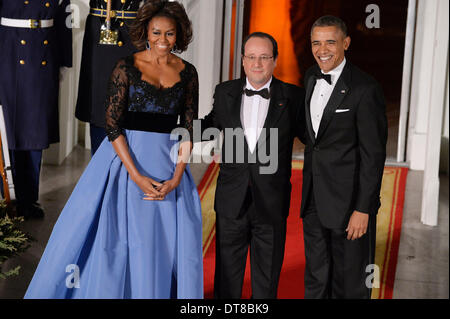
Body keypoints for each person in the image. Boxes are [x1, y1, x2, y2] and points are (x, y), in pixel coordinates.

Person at [25, 0, 203, 299]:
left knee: (161, 245)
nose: (162, 40)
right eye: (156, 32)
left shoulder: (189, 73)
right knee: (115, 242)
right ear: (146, 30)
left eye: (169, 34)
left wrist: (176, 178)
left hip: (168, 167)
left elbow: (187, 129)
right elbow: (112, 126)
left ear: (179, 34)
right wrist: (136, 176)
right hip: (125, 164)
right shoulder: (126, 66)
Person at [200, 32, 305, 298]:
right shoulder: (225, 92)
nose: (257, 64)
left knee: (266, 281)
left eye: (264, 57)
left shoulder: (292, 97)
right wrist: (165, 128)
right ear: (243, 60)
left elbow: (313, 138)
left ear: (275, 61)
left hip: (271, 202)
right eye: (251, 57)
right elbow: (209, 126)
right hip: (231, 200)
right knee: (226, 280)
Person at [300, 15, 387, 299]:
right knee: (316, 276)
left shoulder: (365, 88)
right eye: (316, 42)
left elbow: (373, 156)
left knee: (349, 284)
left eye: (330, 42)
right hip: (313, 198)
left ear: (346, 43)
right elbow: (315, 136)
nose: (322, 49)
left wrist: (363, 209)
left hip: (349, 204)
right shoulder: (311, 76)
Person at [0, 0, 72, 219]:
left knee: (35, 132)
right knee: (6, 130)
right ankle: (5, 196)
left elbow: (64, 21)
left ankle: (28, 199)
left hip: (43, 58)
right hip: (7, 56)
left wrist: (64, 62)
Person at [75, 0, 145, 155]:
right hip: (99, 33)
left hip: (132, 34)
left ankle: (127, 169)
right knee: (99, 105)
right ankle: (100, 168)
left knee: (128, 103)